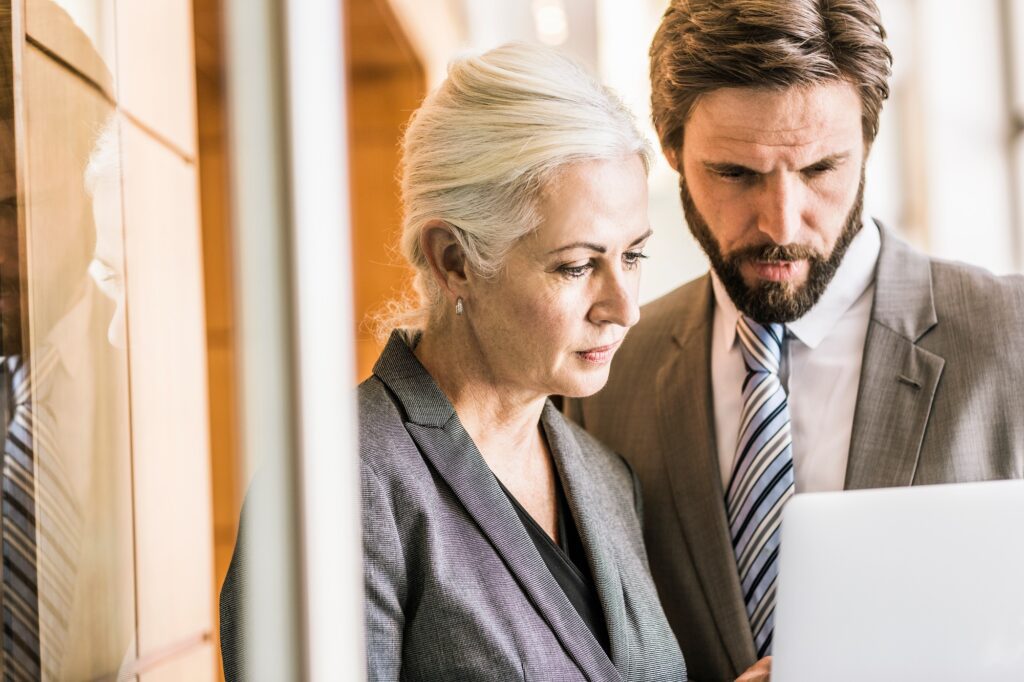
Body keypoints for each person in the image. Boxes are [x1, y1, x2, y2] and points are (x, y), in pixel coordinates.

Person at [566, 0, 1024, 680]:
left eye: (819, 171)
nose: (782, 221)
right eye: (735, 174)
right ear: (671, 152)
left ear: (868, 143)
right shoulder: (607, 374)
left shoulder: (1011, 337)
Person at [221, 43, 688, 681]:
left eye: (632, 256)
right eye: (577, 265)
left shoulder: (606, 479)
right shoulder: (332, 487)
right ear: (453, 261)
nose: (623, 307)